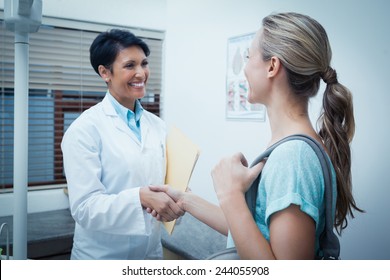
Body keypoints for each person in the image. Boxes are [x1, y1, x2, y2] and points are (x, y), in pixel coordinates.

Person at [148, 12, 363, 259]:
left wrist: (229, 194)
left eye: (249, 56)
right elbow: (256, 232)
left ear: (272, 66)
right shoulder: (292, 148)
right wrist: (186, 200)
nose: (246, 68)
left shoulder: (293, 158)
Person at [61, 29, 184, 260]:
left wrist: (176, 195)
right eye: (130, 65)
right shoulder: (84, 130)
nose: (141, 73)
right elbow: (84, 208)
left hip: (149, 254)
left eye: (144, 63)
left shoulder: (157, 126)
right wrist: (140, 197)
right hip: (102, 258)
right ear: (105, 72)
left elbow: (160, 181)